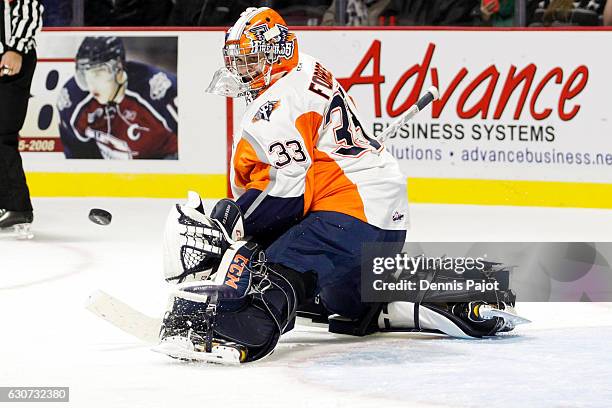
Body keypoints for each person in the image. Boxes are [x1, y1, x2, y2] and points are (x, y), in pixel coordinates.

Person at [156, 7, 517, 364]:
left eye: (251, 60)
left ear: (278, 51)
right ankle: (463, 289)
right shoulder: (306, 66)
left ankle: (237, 328)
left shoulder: (276, 108)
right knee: (344, 305)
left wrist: (234, 222)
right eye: (238, 61)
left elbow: (287, 196)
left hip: (349, 214)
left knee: (272, 270)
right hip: (380, 218)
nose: (242, 71)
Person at [57, 36, 178, 160]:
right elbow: (80, 156)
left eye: (98, 73)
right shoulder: (73, 100)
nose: (91, 84)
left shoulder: (157, 90)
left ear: (119, 69)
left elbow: (193, 139)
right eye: (84, 74)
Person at [0, 0, 43, 233]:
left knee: (2, 133)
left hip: (11, 59)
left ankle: (17, 207)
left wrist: (15, 48)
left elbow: (30, 7)